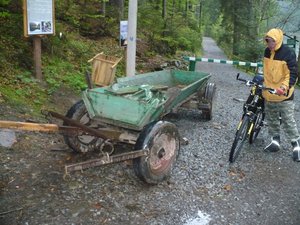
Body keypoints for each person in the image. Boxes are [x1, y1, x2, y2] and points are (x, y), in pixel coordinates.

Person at [262, 28, 300, 161]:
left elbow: (292, 74)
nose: (270, 44)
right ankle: (275, 142)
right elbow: (266, 71)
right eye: (268, 41)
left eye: (272, 41)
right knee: (272, 119)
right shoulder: (267, 51)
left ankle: (296, 145)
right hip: (270, 92)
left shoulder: (288, 53)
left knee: (288, 120)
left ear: (278, 40)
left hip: (284, 94)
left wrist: (284, 87)